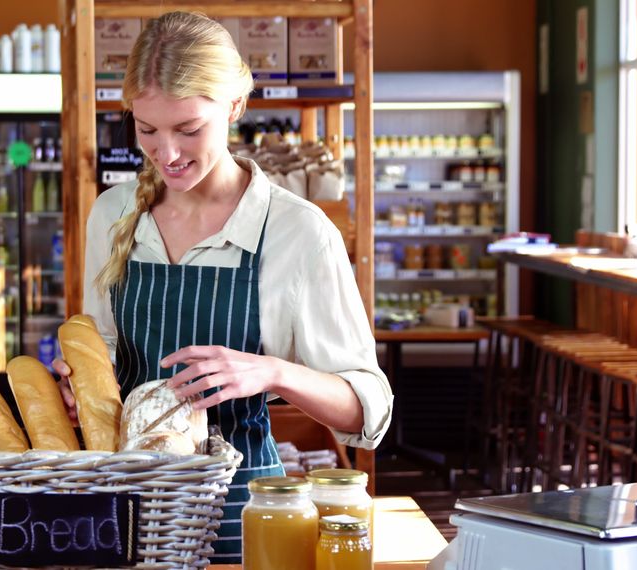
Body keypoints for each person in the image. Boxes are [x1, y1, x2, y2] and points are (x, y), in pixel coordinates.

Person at [52, 11, 392, 563]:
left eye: (188, 130)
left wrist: (272, 372)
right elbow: (106, 350)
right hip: (124, 512)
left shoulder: (297, 231)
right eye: (146, 130)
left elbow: (368, 410)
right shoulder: (113, 213)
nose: (166, 154)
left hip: (246, 518)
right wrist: (80, 385)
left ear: (234, 106)